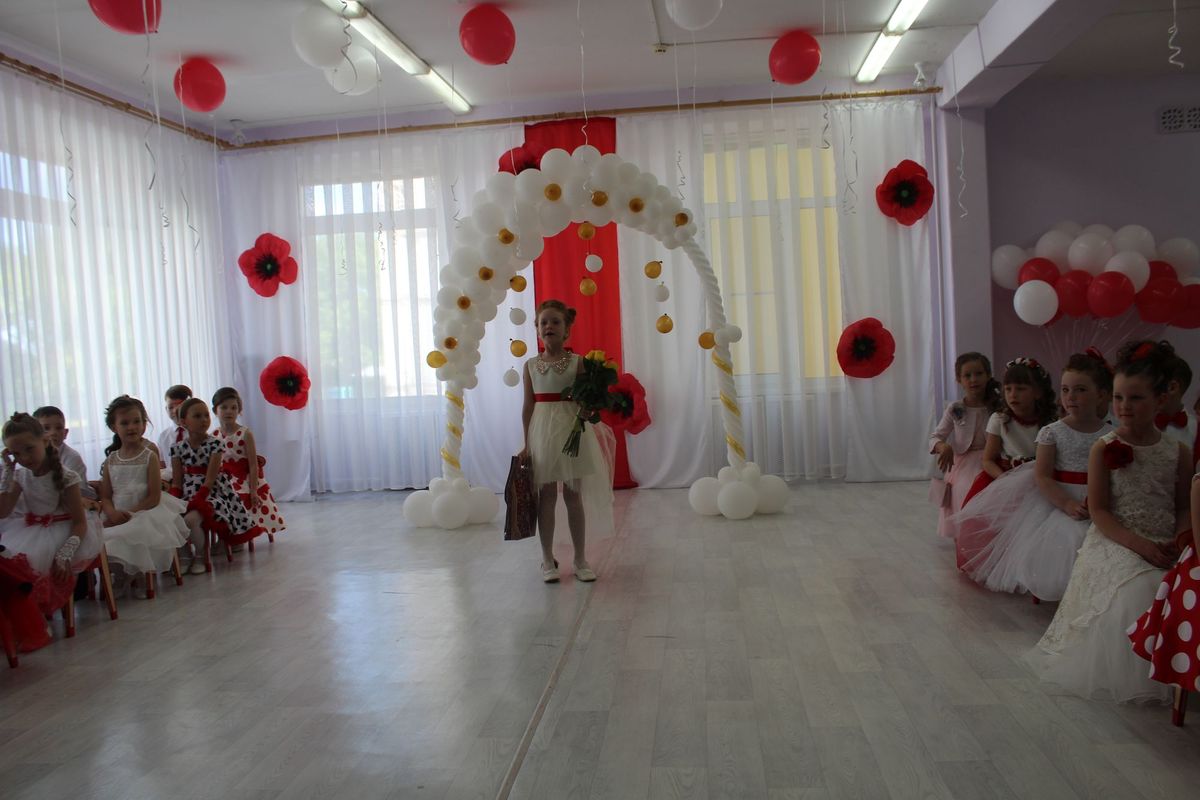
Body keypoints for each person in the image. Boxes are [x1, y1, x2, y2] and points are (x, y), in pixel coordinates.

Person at [1025, 340, 1190, 702]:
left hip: (1166, 540)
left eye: (1136, 398)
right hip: (1117, 538)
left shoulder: (1178, 451)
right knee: (1144, 589)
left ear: (1160, 399)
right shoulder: (1104, 447)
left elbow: (1183, 508)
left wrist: (1180, 541)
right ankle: (1145, 672)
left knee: (1182, 583)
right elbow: (1099, 511)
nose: (1124, 406)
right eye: (1118, 398)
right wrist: (1141, 546)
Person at [954, 349, 1112, 599]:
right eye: (1065, 390)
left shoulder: (1101, 432)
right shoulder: (1034, 427)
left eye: (1080, 390)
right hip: (1023, 480)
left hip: (1075, 491)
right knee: (1020, 530)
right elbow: (993, 460)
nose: (1071, 397)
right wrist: (1005, 480)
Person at [519, 299, 614, 583]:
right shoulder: (530, 365)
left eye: (555, 322)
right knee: (546, 496)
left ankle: (580, 559)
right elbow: (528, 406)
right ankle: (547, 559)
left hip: (572, 430)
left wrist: (587, 408)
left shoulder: (578, 362)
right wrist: (527, 444)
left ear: (566, 329)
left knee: (574, 496)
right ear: (537, 329)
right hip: (542, 434)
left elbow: (587, 399)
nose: (549, 326)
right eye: (543, 322)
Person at [0, 413, 102, 615]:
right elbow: (3, 512)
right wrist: (7, 472)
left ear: (45, 441)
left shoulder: (67, 476)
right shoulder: (20, 475)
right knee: (9, 564)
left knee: (31, 564)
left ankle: (38, 613)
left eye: (29, 449)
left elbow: (79, 523)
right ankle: (28, 615)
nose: (24, 458)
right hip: (30, 532)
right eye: (16, 454)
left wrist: (65, 554)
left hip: (66, 532)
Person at [97, 396, 191, 591]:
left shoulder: (149, 456)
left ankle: (139, 574)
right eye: (125, 423)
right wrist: (112, 513)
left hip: (144, 510)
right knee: (103, 537)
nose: (131, 427)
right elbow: (105, 496)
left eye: (136, 421)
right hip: (116, 512)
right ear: (114, 427)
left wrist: (129, 513)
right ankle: (120, 575)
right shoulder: (111, 460)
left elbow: (154, 496)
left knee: (135, 532)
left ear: (144, 424)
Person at [170, 398, 262, 558]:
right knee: (171, 519)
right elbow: (177, 482)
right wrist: (173, 502)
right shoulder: (177, 448)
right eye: (197, 416)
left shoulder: (215, 444)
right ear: (184, 422)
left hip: (212, 494)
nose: (204, 420)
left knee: (190, 520)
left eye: (206, 415)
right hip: (188, 494)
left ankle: (201, 557)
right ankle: (184, 557)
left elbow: (210, 480)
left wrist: (198, 499)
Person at [960, 357, 1055, 507]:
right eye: (1008, 389)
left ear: (1037, 392)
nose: (1013, 395)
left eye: (1020, 389)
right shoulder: (999, 419)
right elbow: (987, 460)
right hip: (1004, 476)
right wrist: (1005, 480)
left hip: (1038, 479)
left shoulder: (1050, 422)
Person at [929, 353, 1001, 538]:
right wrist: (943, 447)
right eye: (967, 375)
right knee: (963, 488)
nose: (973, 379)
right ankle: (964, 536)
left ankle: (989, 536)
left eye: (979, 374)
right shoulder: (956, 408)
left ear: (988, 375)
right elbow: (936, 437)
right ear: (959, 380)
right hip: (963, 464)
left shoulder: (998, 407)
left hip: (992, 459)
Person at [212, 387, 284, 537]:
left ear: (239, 411)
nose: (229, 411)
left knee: (238, 497)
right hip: (224, 478)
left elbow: (253, 464)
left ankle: (243, 532)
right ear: (215, 411)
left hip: (244, 477)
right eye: (224, 407)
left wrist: (253, 490)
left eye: (234, 408)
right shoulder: (214, 435)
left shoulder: (245, 433)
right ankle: (227, 533)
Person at [32, 406, 98, 502]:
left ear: (65, 433)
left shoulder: (72, 457)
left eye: (59, 428)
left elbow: (77, 492)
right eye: (46, 428)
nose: (53, 432)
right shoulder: (32, 457)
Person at [157, 385, 192, 481]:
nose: (175, 411)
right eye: (170, 407)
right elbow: (162, 465)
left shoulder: (197, 433)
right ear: (166, 409)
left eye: (180, 406)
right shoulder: (163, 436)